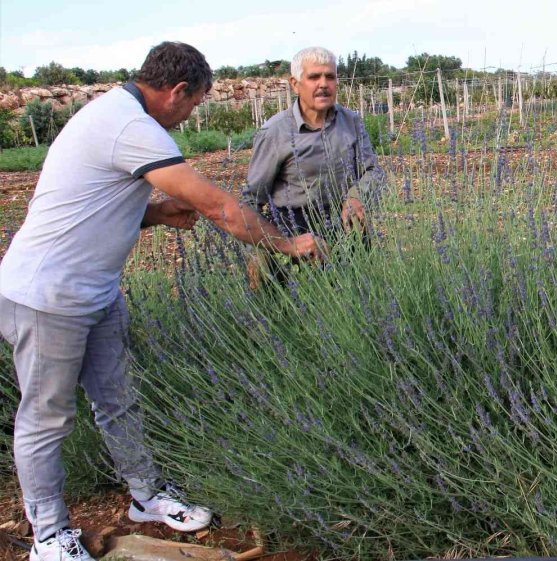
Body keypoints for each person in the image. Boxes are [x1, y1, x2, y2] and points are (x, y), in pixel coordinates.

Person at [0, 42, 325, 561]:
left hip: (96, 290)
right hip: (47, 296)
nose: (192, 114)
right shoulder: (132, 127)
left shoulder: (116, 112)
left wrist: (151, 213)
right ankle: (48, 536)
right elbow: (217, 205)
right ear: (176, 91)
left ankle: (145, 497)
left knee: (117, 399)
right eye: (194, 104)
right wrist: (285, 244)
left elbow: (94, 199)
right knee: (46, 417)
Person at [241, 46, 384, 283]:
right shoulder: (274, 132)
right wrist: (263, 250)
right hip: (293, 226)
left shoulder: (351, 121)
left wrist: (356, 195)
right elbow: (251, 199)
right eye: (314, 77)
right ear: (295, 84)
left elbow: (372, 170)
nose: (323, 84)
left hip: (343, 221)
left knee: (358, 290)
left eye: (330, 76)